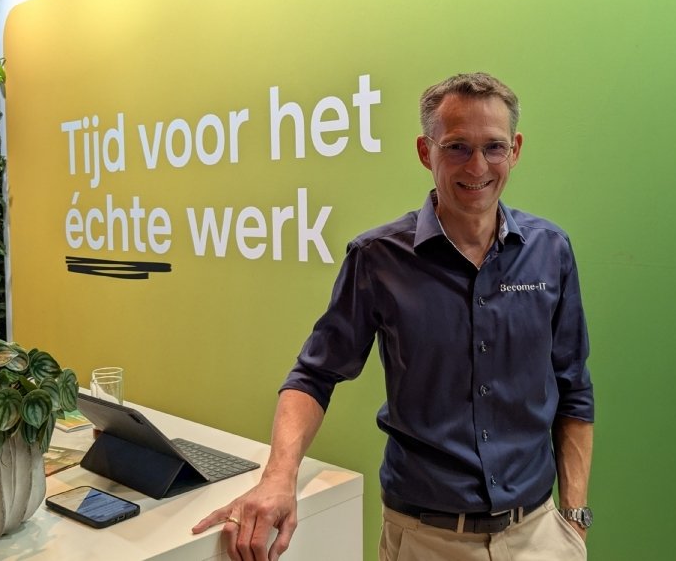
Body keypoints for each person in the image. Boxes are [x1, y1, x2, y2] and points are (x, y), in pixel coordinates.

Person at [192, 72, 594, 561]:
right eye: (457, 147)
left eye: (494, 147)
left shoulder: (550, 251)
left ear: (515, 150)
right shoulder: (378, 258)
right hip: (426, 540)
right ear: (426, 151)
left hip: (539, 535)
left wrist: (574, 518)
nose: (477, 166)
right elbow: (314, 375)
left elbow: (573, 388)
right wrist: (278, 478)